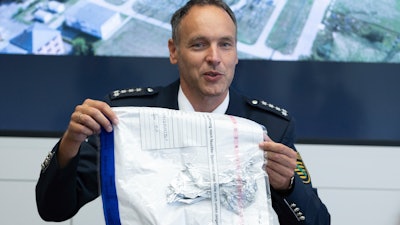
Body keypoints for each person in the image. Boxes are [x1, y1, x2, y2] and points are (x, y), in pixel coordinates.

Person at [36, 0, 330, 224]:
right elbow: (53, 209)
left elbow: (319, 221)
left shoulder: (269, 127)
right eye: (199, 44)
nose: (214, 58)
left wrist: (288, 186)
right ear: (174, 51)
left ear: (236, 53)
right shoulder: (126, 119)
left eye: (225, 45)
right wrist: (70, 144)